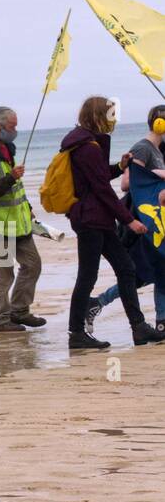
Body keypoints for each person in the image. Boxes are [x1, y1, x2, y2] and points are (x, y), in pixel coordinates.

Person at [62, 96, 165, 349]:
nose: (114, 120)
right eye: (110, 115)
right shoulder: (86, 147)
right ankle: (76, 333)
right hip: (90, 219)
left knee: (127, 269)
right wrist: (129, 220)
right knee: (87, 275)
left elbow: (100, 176)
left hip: (99, 218)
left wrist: (119, 167)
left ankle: (139, 328)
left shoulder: (91, 144)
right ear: (98, 115)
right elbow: (101, 189)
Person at [0, 107, 44, 334]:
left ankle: (19, 310)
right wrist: (10, 178)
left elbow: (16, 189)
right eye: (12, 126)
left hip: (18, 224)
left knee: (32, 265)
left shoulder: (6, 148)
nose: (15, 131)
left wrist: (28, 207)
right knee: (3, 274)